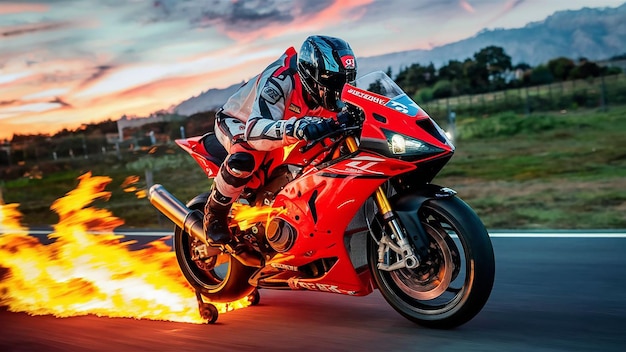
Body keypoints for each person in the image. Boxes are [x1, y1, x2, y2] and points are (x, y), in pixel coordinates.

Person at [203, 35, 358, 246]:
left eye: (344, 81)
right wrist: (299, 126)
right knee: (244, 157)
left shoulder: (333, 91)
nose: (339, 90)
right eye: (331, 82)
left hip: (281, 128)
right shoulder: (280, 80)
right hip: (241, 122)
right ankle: (215, 214)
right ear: (311, 75)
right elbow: (255, 129)